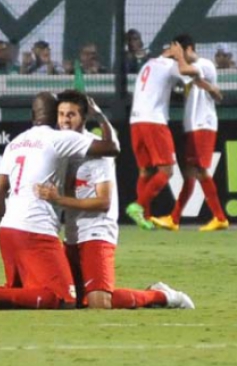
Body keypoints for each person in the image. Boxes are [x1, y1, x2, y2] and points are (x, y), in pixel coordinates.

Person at [0, 92, 121, 312]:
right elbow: (111, 148)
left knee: (21, 292)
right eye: (61, 114)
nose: (64, 120)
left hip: (8, 229)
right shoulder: (59, 138)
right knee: (63, 299)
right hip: (36, 230)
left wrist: (4, 230)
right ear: (54, 115)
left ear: (31, 115)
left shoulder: (15, 143)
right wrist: (100, 117)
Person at [35, 90, 195, 309]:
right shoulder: (60, 147)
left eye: (71, 114)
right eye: (61, 114)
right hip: (72, 235)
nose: (64, 120)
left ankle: (162, 296)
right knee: (68, 299)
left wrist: (58, 199)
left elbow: (103, 202)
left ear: (83, 118)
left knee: (99, 303)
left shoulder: (96, 150)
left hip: (96, 232)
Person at [150, 41, 228, 232]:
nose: (179, 56)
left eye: (182, 51)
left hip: (203, 124)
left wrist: (176, 56)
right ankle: (174, 218)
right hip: (193, 126)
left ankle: (220, 217)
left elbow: (187, 71)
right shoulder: (187, 71)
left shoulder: (204, 64)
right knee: (190, 174)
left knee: (199, 171)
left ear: (190, 49)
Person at [125, 35, 201, 229]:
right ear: (179, 49)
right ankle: (138, 206)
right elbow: (189, 72)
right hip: (154, 121)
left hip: (135, 121)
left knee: (146, 171)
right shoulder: (170, 65)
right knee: (166, 170)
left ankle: (146, 218)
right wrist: (181, 57)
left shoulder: (149, 63)